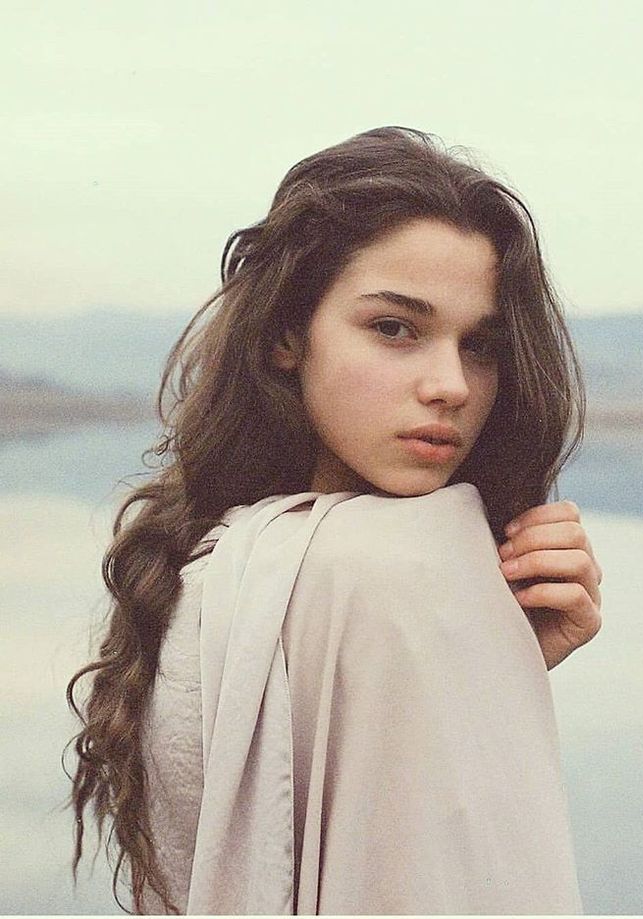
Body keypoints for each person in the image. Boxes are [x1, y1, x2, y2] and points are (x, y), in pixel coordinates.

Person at [66, 126, 602, 915]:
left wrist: (500, 653)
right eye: (395, 327)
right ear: (289, 333)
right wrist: (465, 638)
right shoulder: (399, 560)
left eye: (482, 345)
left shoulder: (225, 555)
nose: (451, 384)